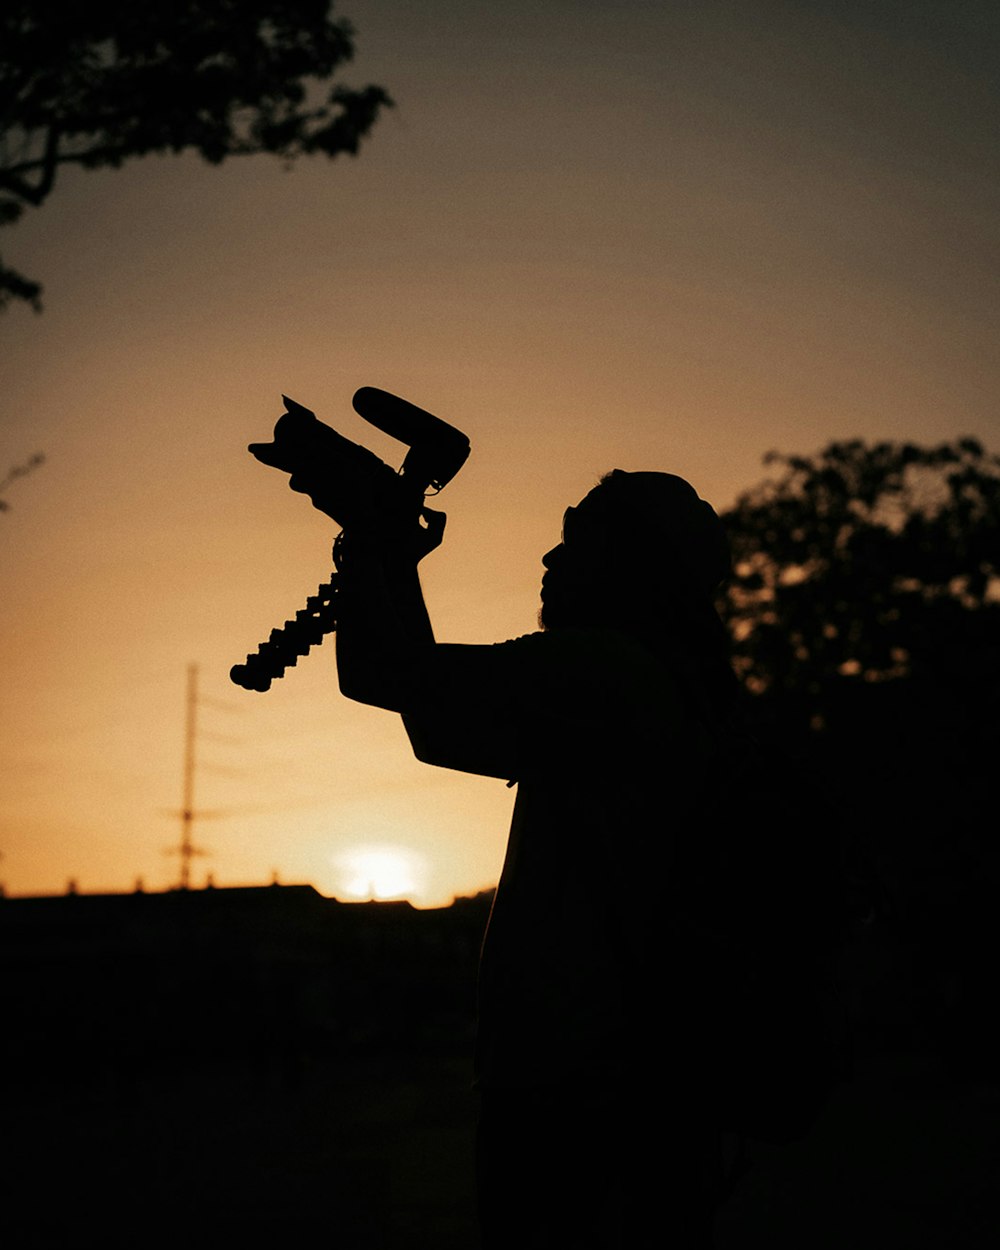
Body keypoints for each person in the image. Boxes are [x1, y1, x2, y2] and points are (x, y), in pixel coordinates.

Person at [334, 468, 739, 1248]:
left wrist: (368, 541)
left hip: (580, 1084)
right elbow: (433, 720)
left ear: (629, 565)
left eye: (577, 540)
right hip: (641, 1082)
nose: (550, 559)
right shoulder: (671, 689)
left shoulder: (602, 669)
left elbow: (383, 674)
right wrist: (388, 558)